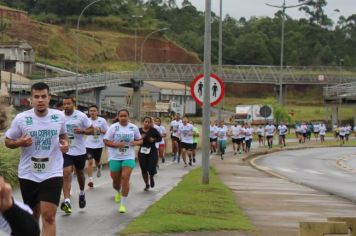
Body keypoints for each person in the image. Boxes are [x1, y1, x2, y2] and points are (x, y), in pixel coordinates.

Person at [5, 82, 68, 236]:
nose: (40, 100)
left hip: (52, 172)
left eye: (43, 96)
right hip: (28, 174)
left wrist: (65, 143)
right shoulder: (21, 118)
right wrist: (20, 142)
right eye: (36, 97)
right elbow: (8, 141)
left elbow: (63, 135)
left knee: (49, 216)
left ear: (49, 98)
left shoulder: (59, 116)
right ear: (31, 99)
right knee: (33, 217)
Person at [103, 109, 142, 213]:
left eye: (125, 116)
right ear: (118, 117)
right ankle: (117, 191)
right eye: (121, 116)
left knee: (125, 178)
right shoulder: (113, 127)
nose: (123, 118)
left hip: (128, 156)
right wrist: (117, 145)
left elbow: (140, 139)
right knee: (116, 182)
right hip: (115, 157)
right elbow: (106, 141)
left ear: (128, 117)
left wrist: (136, 142)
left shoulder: (133, 127)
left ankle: (122, 205)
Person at [61, 97, 93, 214]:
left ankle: (82, 192)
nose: (66, 106)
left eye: (68, 104)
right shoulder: (59, 116)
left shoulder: (81, 116)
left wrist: (83, 131)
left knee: (80, 173)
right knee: (66, 173)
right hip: (66, 150)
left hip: (79, 151)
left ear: (73, 104)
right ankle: (67, 201)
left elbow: (92, 130)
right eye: (64, 104)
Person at [85, 104, 108, 188]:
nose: (92, 112)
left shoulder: (102, 120)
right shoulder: (86, 120)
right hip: (88, 145)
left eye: (94, 111)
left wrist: (101, 130)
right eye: (91, 111)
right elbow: (83, 130)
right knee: (90, 162)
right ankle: (90, 180)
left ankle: (99, 167)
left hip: (99, 145)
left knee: (97, 162)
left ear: (97, 112)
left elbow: (107, 132)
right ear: (88, 112)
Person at [138, 117, 162, 191]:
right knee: (144, 169)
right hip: (142, 151)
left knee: (151, 167)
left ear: (151, 123)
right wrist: (140, 138)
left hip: (152, 151)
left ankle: (151, 177)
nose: (147, 123)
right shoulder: (139, 130)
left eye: (149, 122)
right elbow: (134, 139)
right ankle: (147, 184)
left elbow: (160, 138)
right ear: (143, 122)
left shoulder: (153, 130)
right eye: (146, 122)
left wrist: (153, 139)